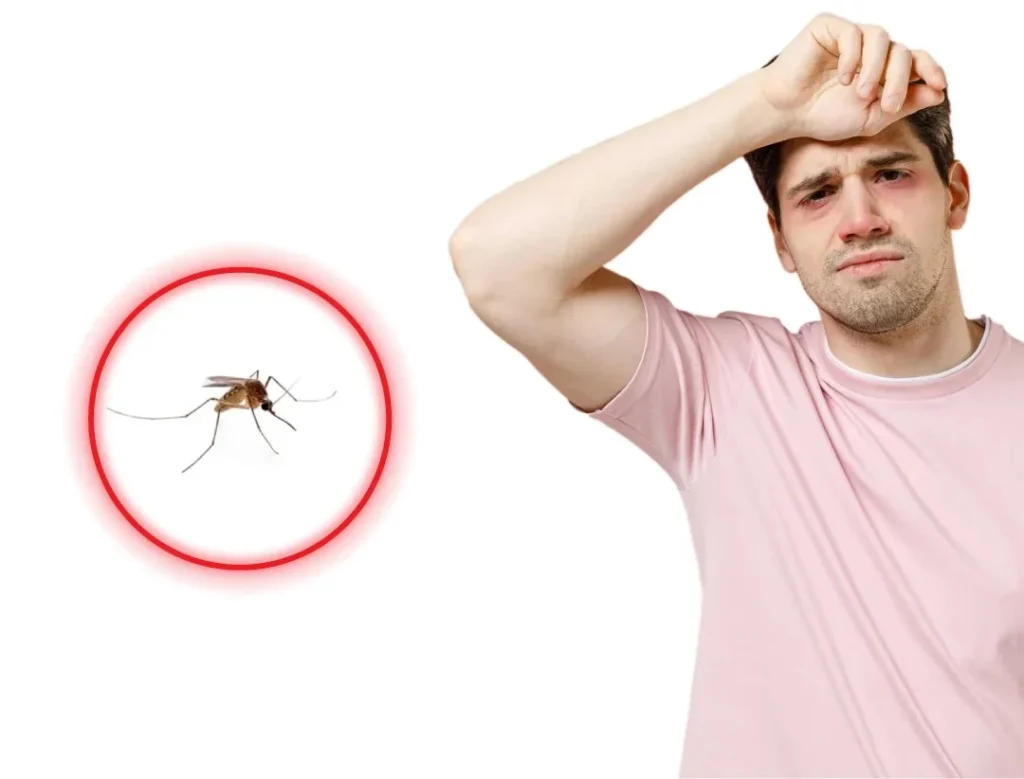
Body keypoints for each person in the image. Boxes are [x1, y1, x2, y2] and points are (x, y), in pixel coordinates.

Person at [448, 11, 1024, 778]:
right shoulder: (728, 389)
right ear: (780, 239)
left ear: (954, 194)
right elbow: (496, 265)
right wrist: (768, 104)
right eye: (818, 193)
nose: (859, 220)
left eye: (890, 174)